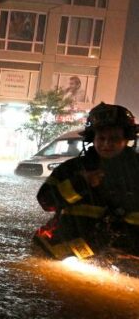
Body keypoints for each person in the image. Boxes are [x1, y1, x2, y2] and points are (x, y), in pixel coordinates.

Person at [36, 102, 139, 255]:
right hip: (68, 252)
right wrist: (80, 184)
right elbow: (46, 201)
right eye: (101, 138)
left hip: (123, 257)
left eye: (114, 138)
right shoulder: (70, 169)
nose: (106, 144)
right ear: (92, 138)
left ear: (127, 139)